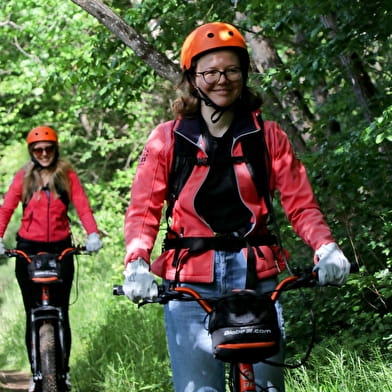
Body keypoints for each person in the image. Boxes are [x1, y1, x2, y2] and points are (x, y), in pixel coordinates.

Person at [122, 22, 350, 392]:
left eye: (231, 70)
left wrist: (326, 247)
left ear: (244, 74)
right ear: (192, 78)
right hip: (189, 282)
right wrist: (137, 262)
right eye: (210, 71)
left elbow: (301, 204)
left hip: (257, 279)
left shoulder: (268, 136)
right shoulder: (167, 139)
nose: (221, 79)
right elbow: (143, 212)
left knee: (267, 388)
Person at [0, 125, 102, 391]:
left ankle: (63, 373)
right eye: (38, 149)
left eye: (48, 148)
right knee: (31, 311)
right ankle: (37, 374)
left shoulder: (66, 175)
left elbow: (82, 205)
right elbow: (7, 207)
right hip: (27, 250)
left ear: (55, 149)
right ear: (32, 151)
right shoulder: (23, 177)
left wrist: (92, 234)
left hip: (61, 249)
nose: (44, 153)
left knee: (61, 311)